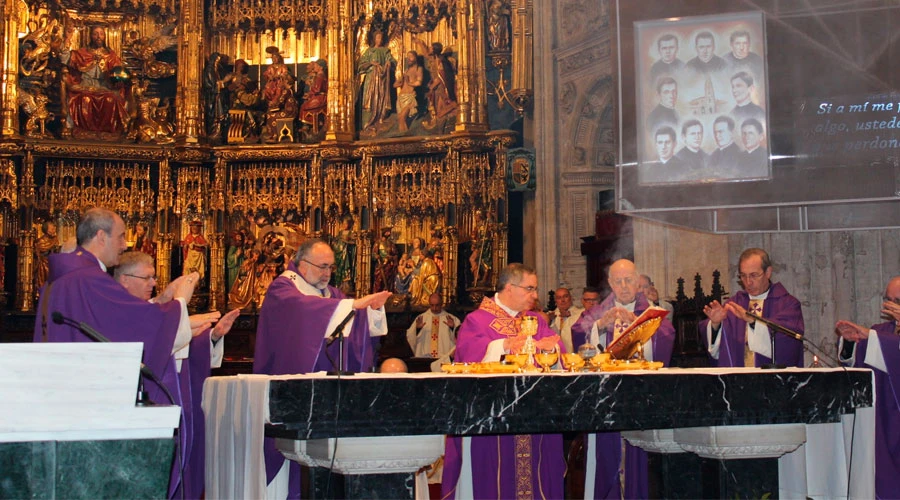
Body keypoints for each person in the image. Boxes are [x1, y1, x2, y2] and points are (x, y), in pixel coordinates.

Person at [33, 208, 200, 499]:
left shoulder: (64, 277)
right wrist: (180, 302)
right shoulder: (88, 278)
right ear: (101, 236)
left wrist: (162, 299)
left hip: (67, 400)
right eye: (121, 236)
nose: (125, 244)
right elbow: (134, 327)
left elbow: (116, 319)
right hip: (92, 407)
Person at [253, 238, 392, 498]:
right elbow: (301, 310)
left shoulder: (333, 295)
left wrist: (371, 309)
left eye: (331, 267)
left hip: (327, 400)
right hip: (292, 396)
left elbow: (354, 321)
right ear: (302, 264)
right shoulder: (283, 288)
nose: (328, 273)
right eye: (322, 266)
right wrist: (354, 305)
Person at [114, 250, 240, 500]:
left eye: (154, 278)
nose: (152, 283)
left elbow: (176, 346)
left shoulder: (150, 309)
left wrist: (212, 336)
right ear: (124, 280)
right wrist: (180, 307)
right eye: (146, 278)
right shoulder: (119, 311)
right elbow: (157, 345)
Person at [442, 263, 565, 499]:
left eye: (535, 289)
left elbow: (558, 350)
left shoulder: (535, 321)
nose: (535, 295)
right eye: (530, 288)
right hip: (493, 419)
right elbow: (467, 358)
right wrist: (503, 346)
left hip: (536, 416)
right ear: (509, 287)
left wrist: (550, 349)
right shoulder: (477, 320)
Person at [570, 259, 676, 499]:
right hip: (605, 399)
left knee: (638, 463)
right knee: (606, 457)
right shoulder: (599, 312)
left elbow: (666, 337)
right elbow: (578, 334)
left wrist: (639, 327)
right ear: (610, 283)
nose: (624, 286)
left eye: (628, 280)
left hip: (639, 397)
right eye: (618, 281)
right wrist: (600, 326)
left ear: (638, 281)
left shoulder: (649, 312)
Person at [835, 276, 900, 499]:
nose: (891, 306)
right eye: (888, 300)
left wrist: (871, 337)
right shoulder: (880, 330)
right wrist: (851, 342)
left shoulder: (876, 335)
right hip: (885, 418)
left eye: (897, 301)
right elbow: (859, 364)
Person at [700, 248, 804, 367]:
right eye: (743, 276)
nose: (748, 282)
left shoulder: (788, 305)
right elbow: (718, 351)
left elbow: (790, 346)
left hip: (772, 377)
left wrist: (753, 322)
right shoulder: (734, 305)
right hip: (738, 377)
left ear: (768, 272)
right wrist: (716, 324)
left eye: (754, 275)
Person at [59, 26, 130, 136]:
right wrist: (67, 38)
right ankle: (85, 130)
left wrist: (119, 79)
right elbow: (65, 58)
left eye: (101, 34)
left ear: (104, 36)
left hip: (105, 85)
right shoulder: (83, 53)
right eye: (95, 34)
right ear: (91, 36)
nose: (98, 37)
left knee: (111, 99)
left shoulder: (111, 55)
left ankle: (109, 131)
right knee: (85, 98)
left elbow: (119, 72)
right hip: (86, 84)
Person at [407, 292, 460, 369]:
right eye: (432, 305)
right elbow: (410, 337)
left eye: (437, 305)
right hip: (424, 360)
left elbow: (460, 339)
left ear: (442, 304)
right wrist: (417, 329)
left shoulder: (452, 319)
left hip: (444, 359)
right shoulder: (421, 318)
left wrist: (453, 328)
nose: (434, 308)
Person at [358, 30, 396, 131]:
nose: (380, 40)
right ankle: (368, 124)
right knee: (370, 99)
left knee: (381, 98)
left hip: (382, 79)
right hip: (371, 79)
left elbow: (391, 60)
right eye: (378, 38)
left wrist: (389, 62)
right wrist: (371, 63)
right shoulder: (369, 51)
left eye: (381, 38)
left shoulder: (385, 51)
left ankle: (380, 119)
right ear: (374, 39)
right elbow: (361, 65)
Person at [425, 42, 458, 122]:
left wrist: (432, 87)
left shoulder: (440, 61)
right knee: (439, 113)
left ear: (434, 50)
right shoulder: (436, 60)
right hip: (437, 88)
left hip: (441, 87)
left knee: (440, 112)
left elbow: (441, 76)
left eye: (430, 47)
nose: (429, 49)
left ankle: (454, 105)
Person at [394, 50, 423, 132]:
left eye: (411, 56)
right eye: (407, 57)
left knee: (402, 118)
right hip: (401, 98)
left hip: (409, 97)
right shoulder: (406, 70)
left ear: (415, 58)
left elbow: (419, 82)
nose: (408, 59)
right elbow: (396, 85)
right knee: (400, 120)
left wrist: (409, 82)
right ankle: (403, 136)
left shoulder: (419, 69)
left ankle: (405, 135)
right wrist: (399, 81)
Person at [549, 287, 584, 353]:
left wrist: (569, 316)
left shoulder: (580, 313)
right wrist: (550, 320)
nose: (562, 300)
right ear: (556, 301)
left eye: (565, 296)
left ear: (571, 298)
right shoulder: (552, 316)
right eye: (559, 298)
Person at [299, 59, 328, 133]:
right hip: (318, 96)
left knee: (304, 106)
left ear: (320, 67)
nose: (314, 67)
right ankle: (308, 124)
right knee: (305, 104)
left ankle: (307, 124)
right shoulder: (319, 75)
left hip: (320, 98)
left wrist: (310, 93)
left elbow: (317, 89)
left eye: (316, 65)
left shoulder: (320, 76)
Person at [34, 220, 59, 294]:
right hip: (43, 264)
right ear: (47, 230)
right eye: (52, 229)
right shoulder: (41, 241)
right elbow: (37, 252)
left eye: (54, 228)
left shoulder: (55, 239)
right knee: (43, 280)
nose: (53, 230)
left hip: (53, 264)